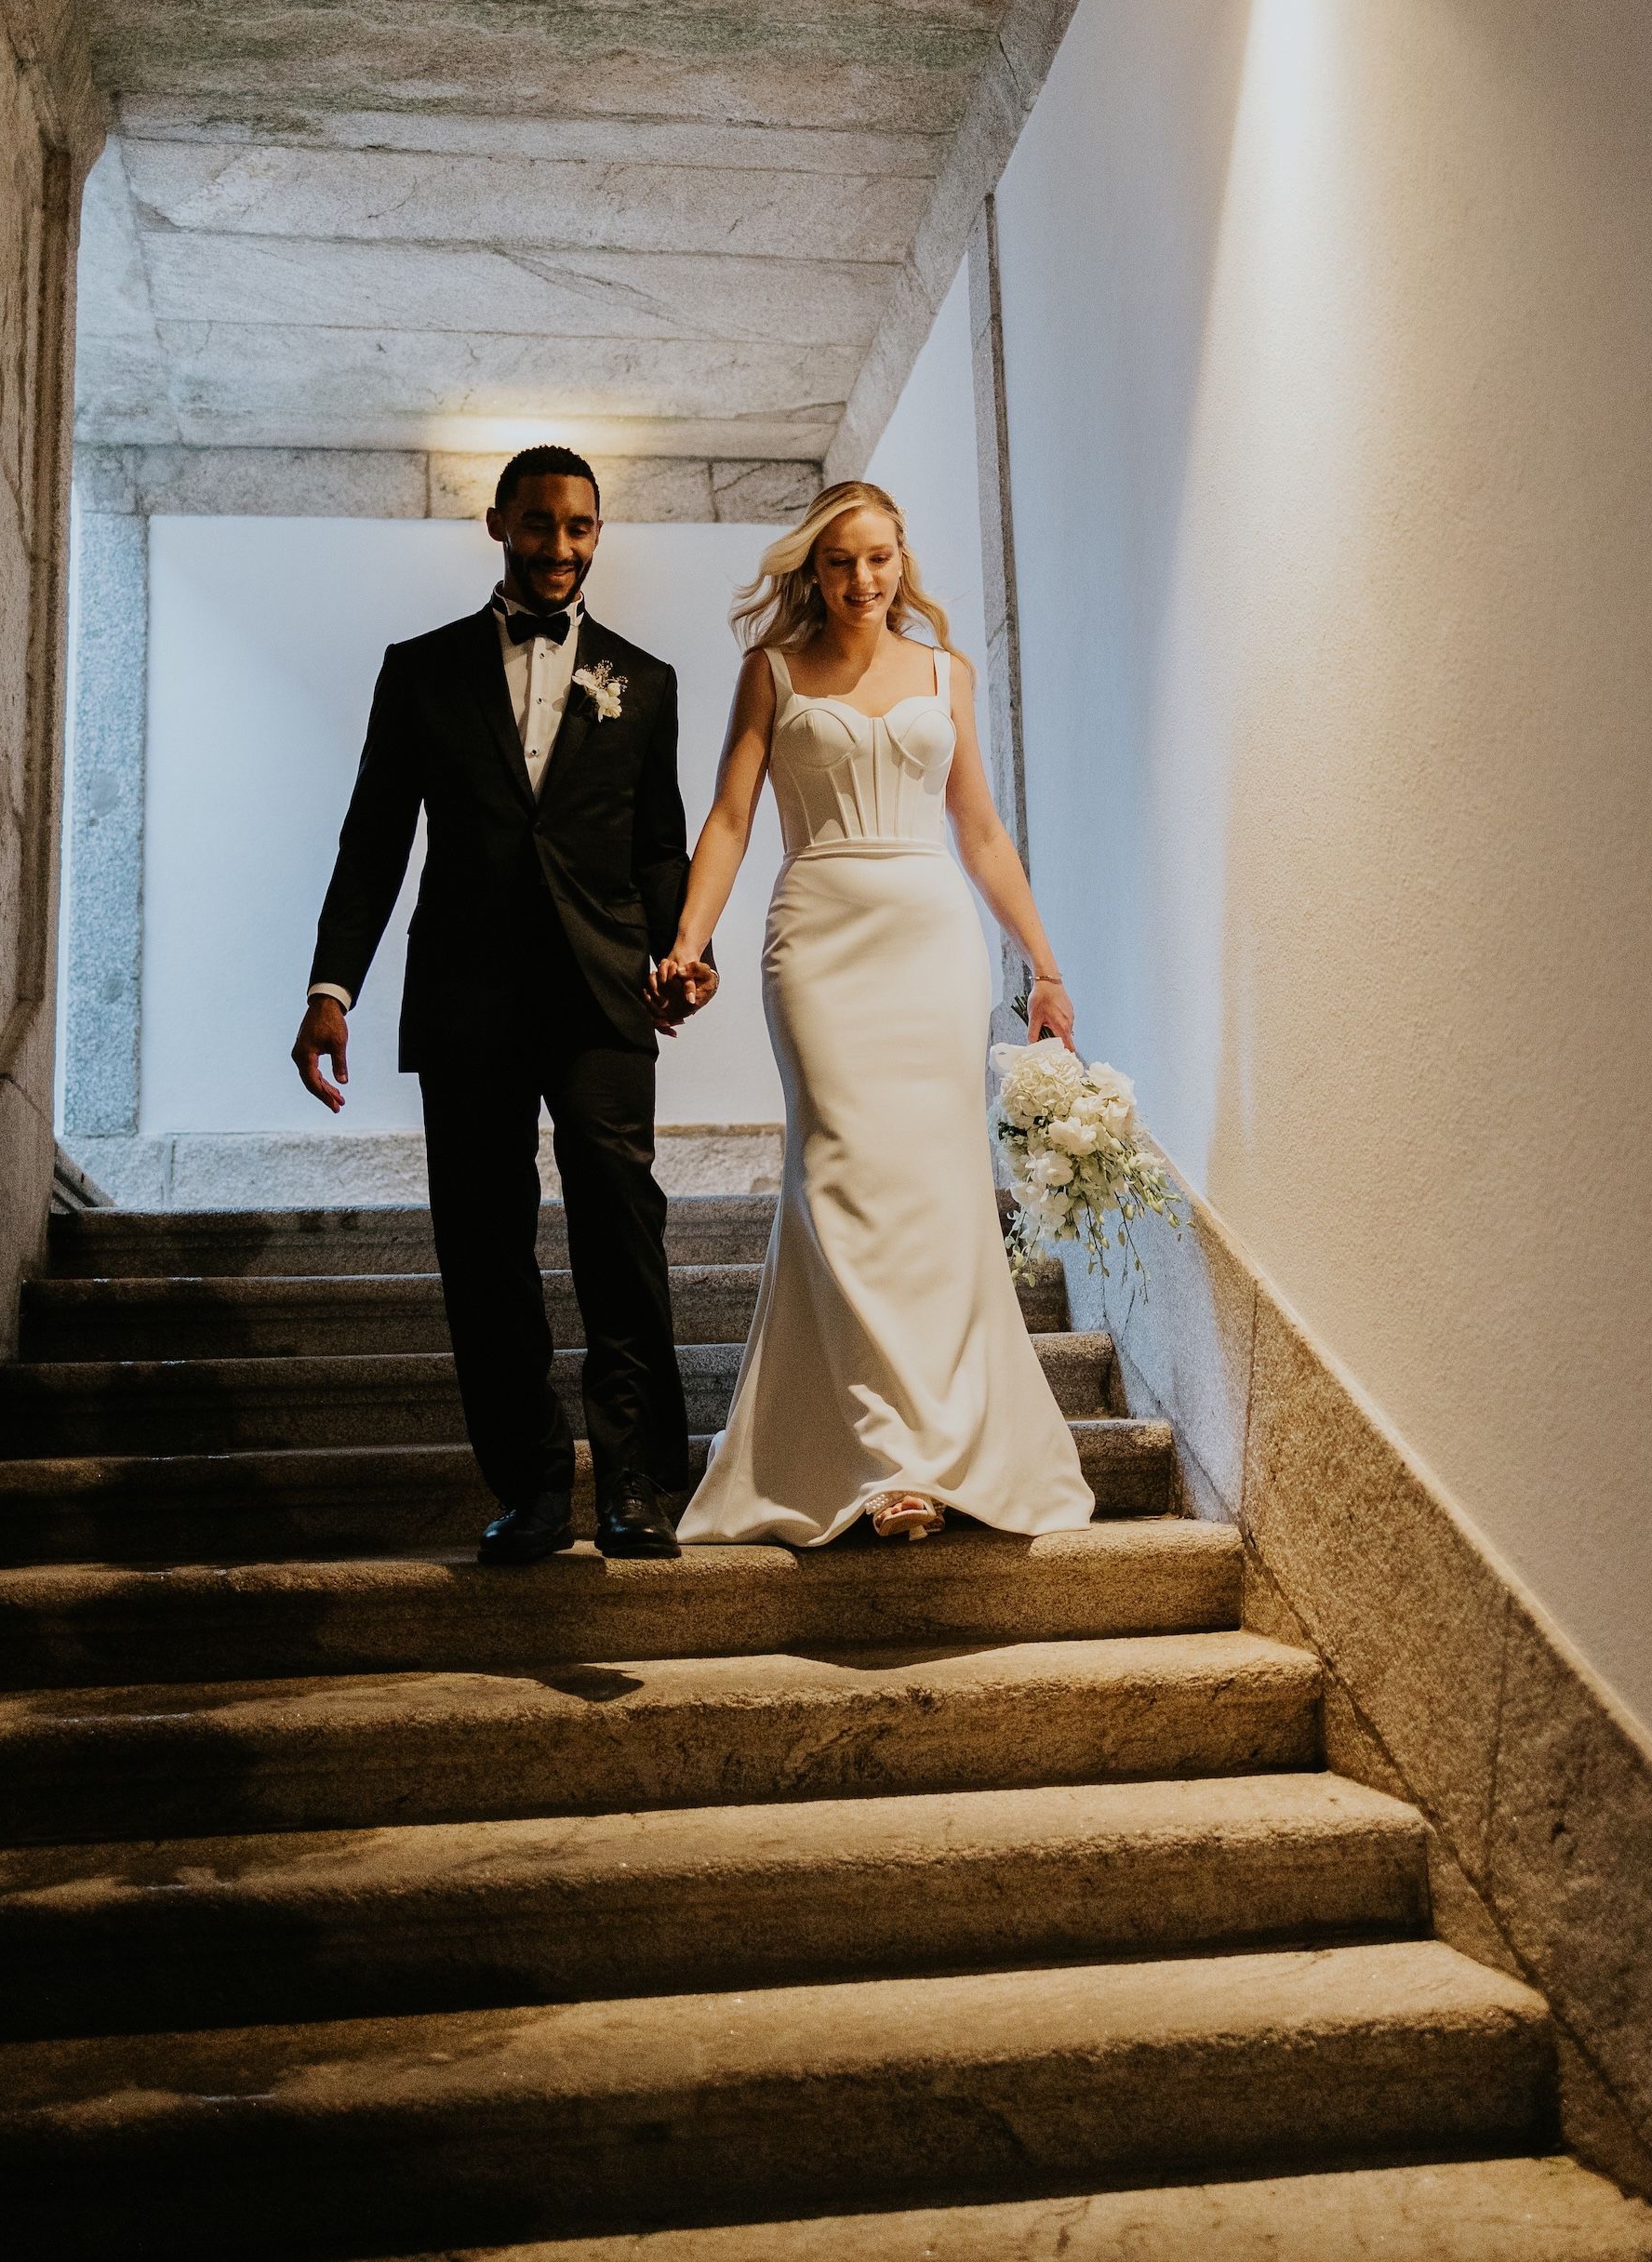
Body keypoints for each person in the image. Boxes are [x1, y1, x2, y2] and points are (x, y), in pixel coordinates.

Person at [290, 446, 714, 1566]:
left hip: (603, 992)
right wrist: (332, 987)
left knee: (620, 1230)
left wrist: (684, 951)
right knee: (483, 1248)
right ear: (497, 526)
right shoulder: (421, 670)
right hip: (467, 997)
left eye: (579, 528)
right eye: (540, 526)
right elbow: (374, 839)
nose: (562, 549)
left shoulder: (646, 679)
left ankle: (634, 1486)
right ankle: (529, 1487)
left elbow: (658, 845)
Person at [656, 479, 1094, 1548]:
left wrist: (1040, 963)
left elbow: (980, 834)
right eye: (841, 561)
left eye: (880, 558)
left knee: (938, 1184)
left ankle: (926, 1458)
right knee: (835, 1170)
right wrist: (685, 939)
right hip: (816, 936)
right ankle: (872, 1451)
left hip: (927, 939)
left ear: (903, 560)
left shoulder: (947, 673)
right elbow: (726, 817)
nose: (862, 580)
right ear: (812, 567)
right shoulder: (768, 674)